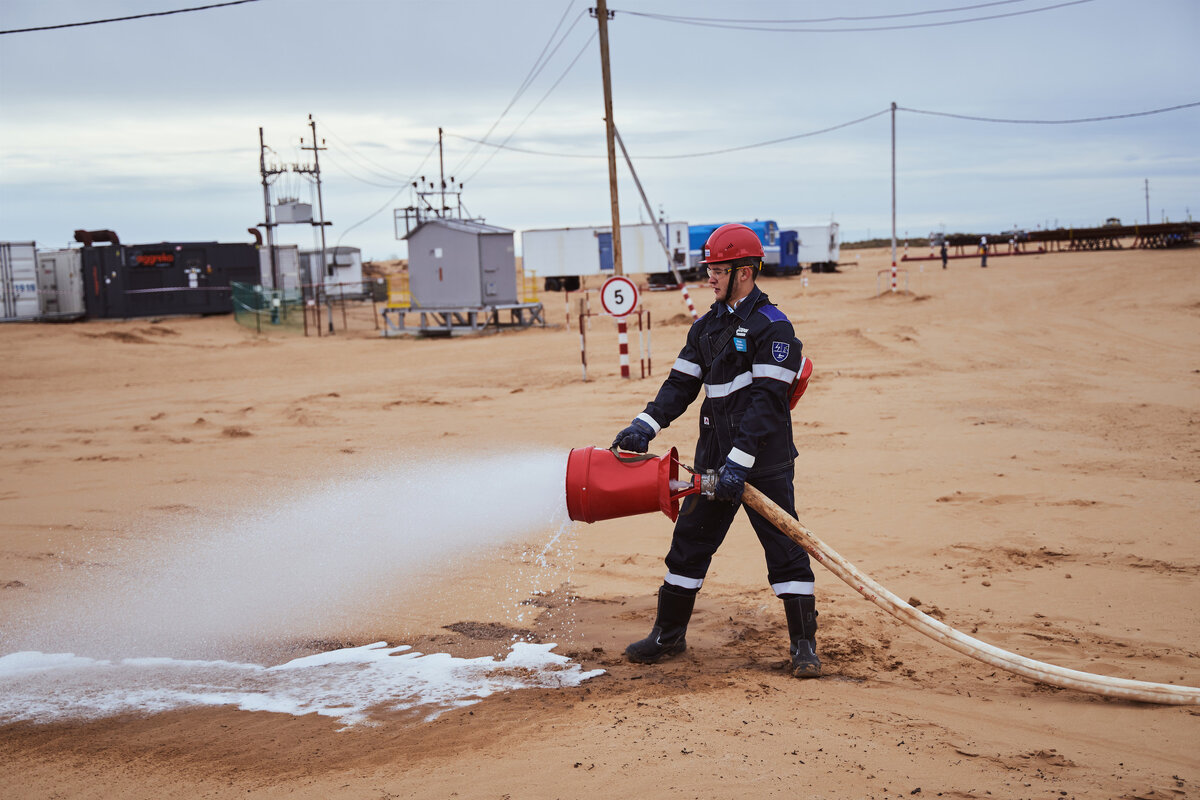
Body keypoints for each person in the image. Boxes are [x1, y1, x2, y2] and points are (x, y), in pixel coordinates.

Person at [611, 223, 820, 679]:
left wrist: (737, 467)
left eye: (717, 269)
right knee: (688, 546)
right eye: (708, 268)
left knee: (785, 550)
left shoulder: (774, 328)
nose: (709, 276)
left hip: (762, 463)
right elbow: (680, 385)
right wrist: (643, 426)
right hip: (713, 460)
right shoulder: (706, 327)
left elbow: (765, 406)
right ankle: (668, 636)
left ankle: (804, 647)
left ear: (744, 272)